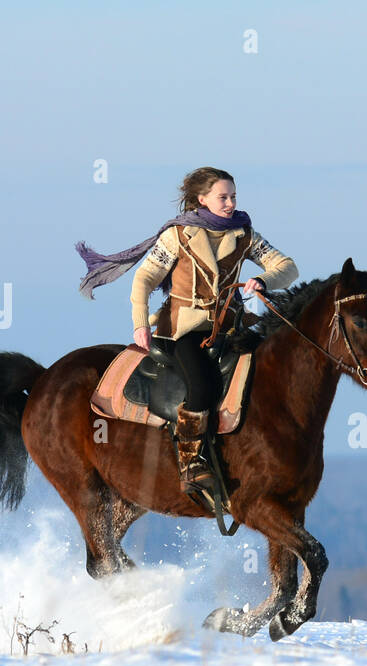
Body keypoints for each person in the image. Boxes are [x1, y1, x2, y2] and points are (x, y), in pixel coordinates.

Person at [76, 166, 298, 484]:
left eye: (233, 197)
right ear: (202, 199)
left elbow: (287, 266)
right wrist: (140, 323)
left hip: (231, 326)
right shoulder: (177, 235)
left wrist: (264, 279)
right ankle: (190, 461)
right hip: (183, 329)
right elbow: (144, 278)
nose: (231, 204)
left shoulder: (245, 235)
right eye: (223, 197)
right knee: (202, 385)